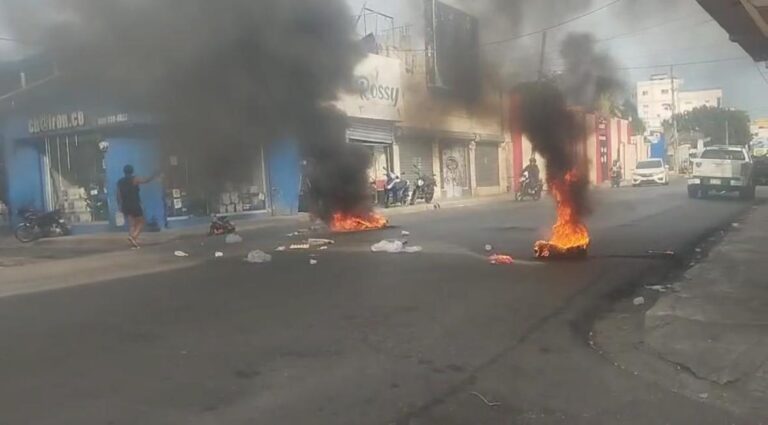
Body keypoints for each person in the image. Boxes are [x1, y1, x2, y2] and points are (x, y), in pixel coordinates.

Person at [117, 165, 160, 248]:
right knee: (141, 222)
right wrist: (154, 175)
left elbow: (118, 195)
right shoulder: (135, 179)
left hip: (125, 204)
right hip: (134, 203)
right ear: (132, 171)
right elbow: (146, 180)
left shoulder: (120, 182)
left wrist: (120, 205)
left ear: (124, 171)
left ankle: (133, 241)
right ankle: (134, 236)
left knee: (132, 223)